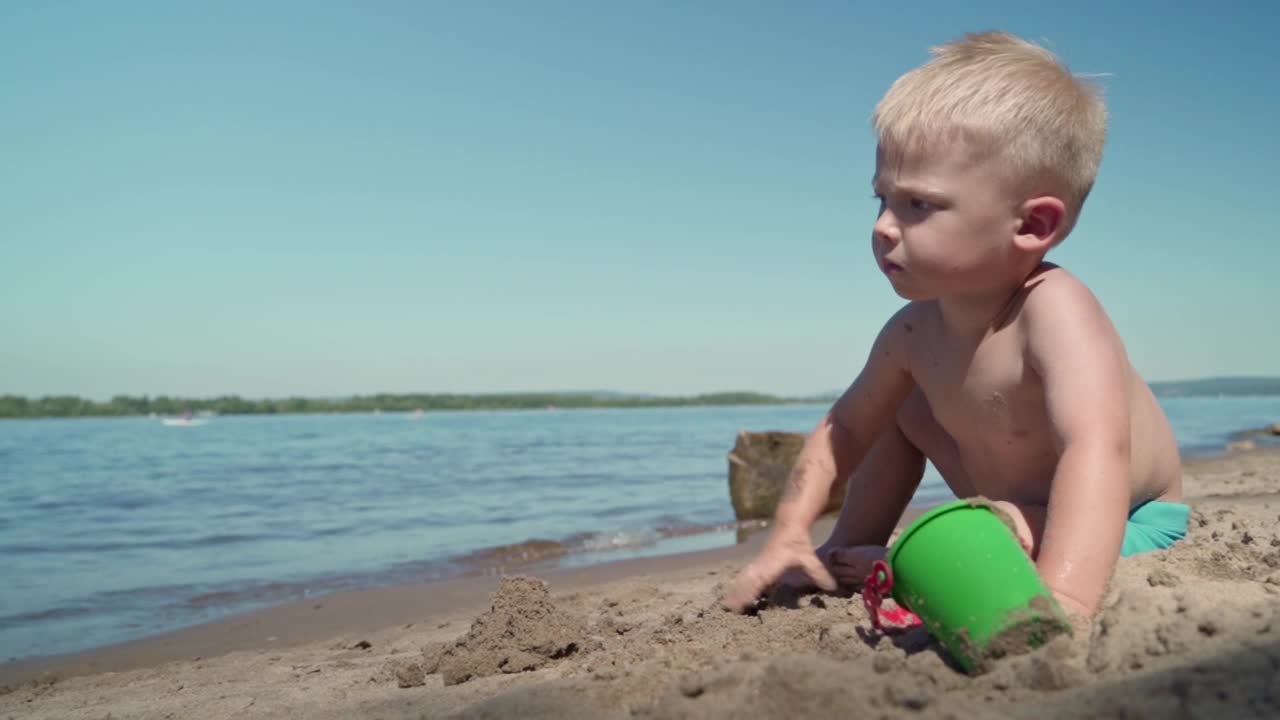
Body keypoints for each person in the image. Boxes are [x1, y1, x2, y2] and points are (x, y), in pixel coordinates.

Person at [722, 31, 1188, 624]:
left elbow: (1095, 449)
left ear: (1032, 224)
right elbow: (843, 429)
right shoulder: (911, 333)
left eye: (919, 205)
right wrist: (787, 531)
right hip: (1013, 508)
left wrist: (1063, 598)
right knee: (898, 407)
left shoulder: (1056, 309)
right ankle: (840, 553)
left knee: (994, 527)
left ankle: (930, 556)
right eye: (881, 200)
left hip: (1128, 516)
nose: (885, 227)